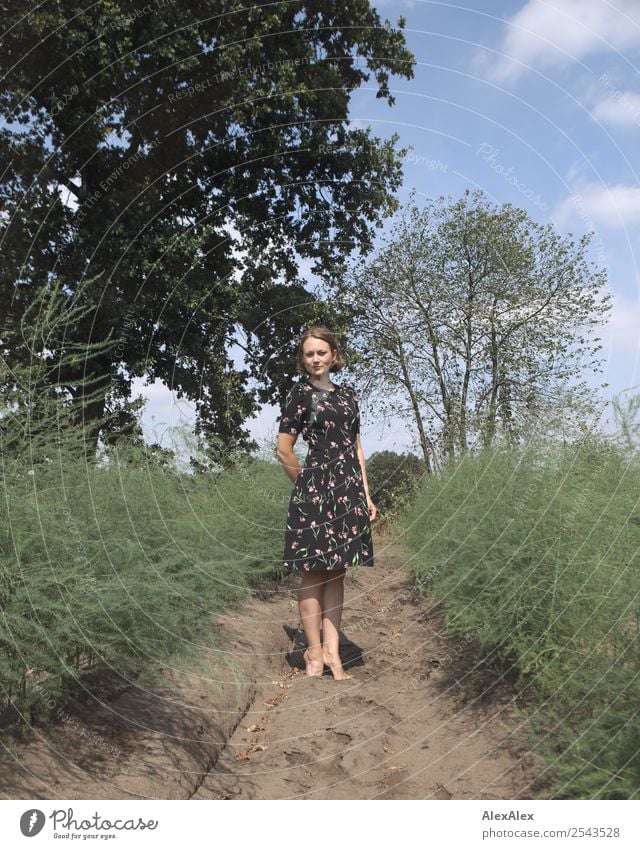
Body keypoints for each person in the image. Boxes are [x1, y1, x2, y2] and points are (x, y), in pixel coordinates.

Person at [276, 325, 377, 680]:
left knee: (338, 570)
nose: (315, 359)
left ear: (334, 355)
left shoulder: (348, 396)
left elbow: (357, 448)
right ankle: (313, 654)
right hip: (316, 489)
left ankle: (334, 653)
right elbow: (284, 449)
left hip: (348, 489)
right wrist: (306, 485)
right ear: (303, 360)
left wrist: (364, 494)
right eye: (309, 354)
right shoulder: (298, 395)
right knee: (313, 571)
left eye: (321, 352)